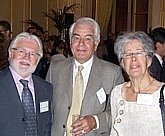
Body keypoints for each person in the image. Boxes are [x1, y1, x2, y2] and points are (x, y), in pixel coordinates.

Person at [46, 17, 124, 136]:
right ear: (70, 42)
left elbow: (119, 112)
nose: (81, 44)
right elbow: (47, 110)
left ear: (96, 44)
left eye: (87, 39)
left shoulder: (112, 73)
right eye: (76, 38)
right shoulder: (55, 69)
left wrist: (95, 121)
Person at [110, 31, 165, 136]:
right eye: (128, 54)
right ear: (122, 62)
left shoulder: (162, 93)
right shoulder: (117, 93)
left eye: (139, 53)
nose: (133, 59)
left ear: (148, 59)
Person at [0, 32, 53, 136]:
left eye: (32, 54)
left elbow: (46, 126)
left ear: (38, 60)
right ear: (10, 53)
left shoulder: (46, 89)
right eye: (21, 51)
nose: (26, 57)